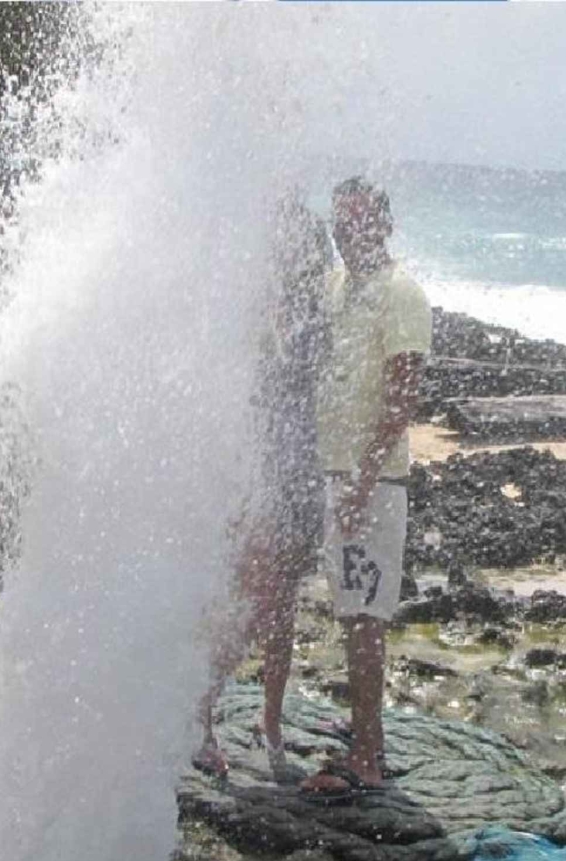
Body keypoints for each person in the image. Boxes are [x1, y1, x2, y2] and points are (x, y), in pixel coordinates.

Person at [301, 177, 431, 797]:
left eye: (357, 222)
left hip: (372, 486)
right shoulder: (338, 286)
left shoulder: (401, 293)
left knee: (365, 620)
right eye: (338, 223)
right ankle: (361, 728)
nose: (346, 233)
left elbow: (404, 398)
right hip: (338, 474)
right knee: (349, 609)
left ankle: (369, 760)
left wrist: (361, 479)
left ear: (383, 225)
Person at [195, 197, 331, 782]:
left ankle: (270, 723)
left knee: (281, 608)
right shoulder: (249, 308)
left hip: (300, 473)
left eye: (297, 241)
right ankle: (202, 720)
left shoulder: (318, 313)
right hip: (256, 474)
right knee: (246, 603)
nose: (289, 250)